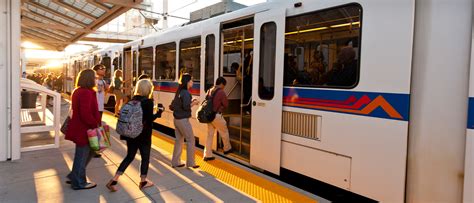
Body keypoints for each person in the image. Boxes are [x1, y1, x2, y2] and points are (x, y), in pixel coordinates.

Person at [106, 79, 164, 192]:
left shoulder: (132, 100)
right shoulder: (148, 102)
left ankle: (114, 180)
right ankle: (143, 181)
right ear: (148, 89)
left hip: (131, 133)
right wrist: (158, 113)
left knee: (130, 156)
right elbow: (149, 119)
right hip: (143, 135)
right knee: (145, 157)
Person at [65, 69, 100, 190]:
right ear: (90, 79)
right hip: (84, 129)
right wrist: (95, 124)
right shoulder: (86, 93)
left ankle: (74, 175)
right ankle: (79, 182)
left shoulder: (77, 91)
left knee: (89, 152)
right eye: (95, 77)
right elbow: (85, 113)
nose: (97, 79)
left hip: (80, 127)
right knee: (82, 154)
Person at [171, 73, 200, 168]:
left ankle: (175, 162)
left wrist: (191, 102)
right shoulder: (186, 92)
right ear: (187, 82)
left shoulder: (179, 91)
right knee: (191, 140)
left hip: (176, 119)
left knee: (179, 140)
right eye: (191, 80)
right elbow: (186, 106)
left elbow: (179, 104)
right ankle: (191, 163)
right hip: (183, 120)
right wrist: (194, 103)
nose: (192, 82)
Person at [203, 77, 233, 161]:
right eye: (224, 85)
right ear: (221, 84)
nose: (224, 87)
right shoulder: (221, 92)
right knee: (224, 131)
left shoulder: (209, 90)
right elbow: (226, 104)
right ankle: (227, 148)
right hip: (217, 116)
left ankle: (207, 155)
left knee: (209, 136)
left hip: (209, 116)